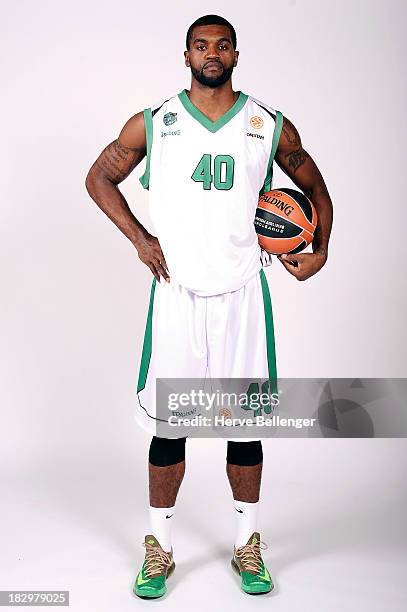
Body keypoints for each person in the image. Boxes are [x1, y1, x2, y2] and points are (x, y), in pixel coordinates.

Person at [85, 13, 332, 599]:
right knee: (172, 427)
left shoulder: (267, 124)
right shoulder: (155, 122)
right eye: (202, 45)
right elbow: (99, 177)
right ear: (187, 55)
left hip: (244, 294)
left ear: (237, 54)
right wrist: (141, 240)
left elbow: (316, 188)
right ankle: (160, 549)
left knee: (243, 427)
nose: (212, 53)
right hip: (177, 295)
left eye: (222, 45)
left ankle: (248, 544)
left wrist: (319, 248)